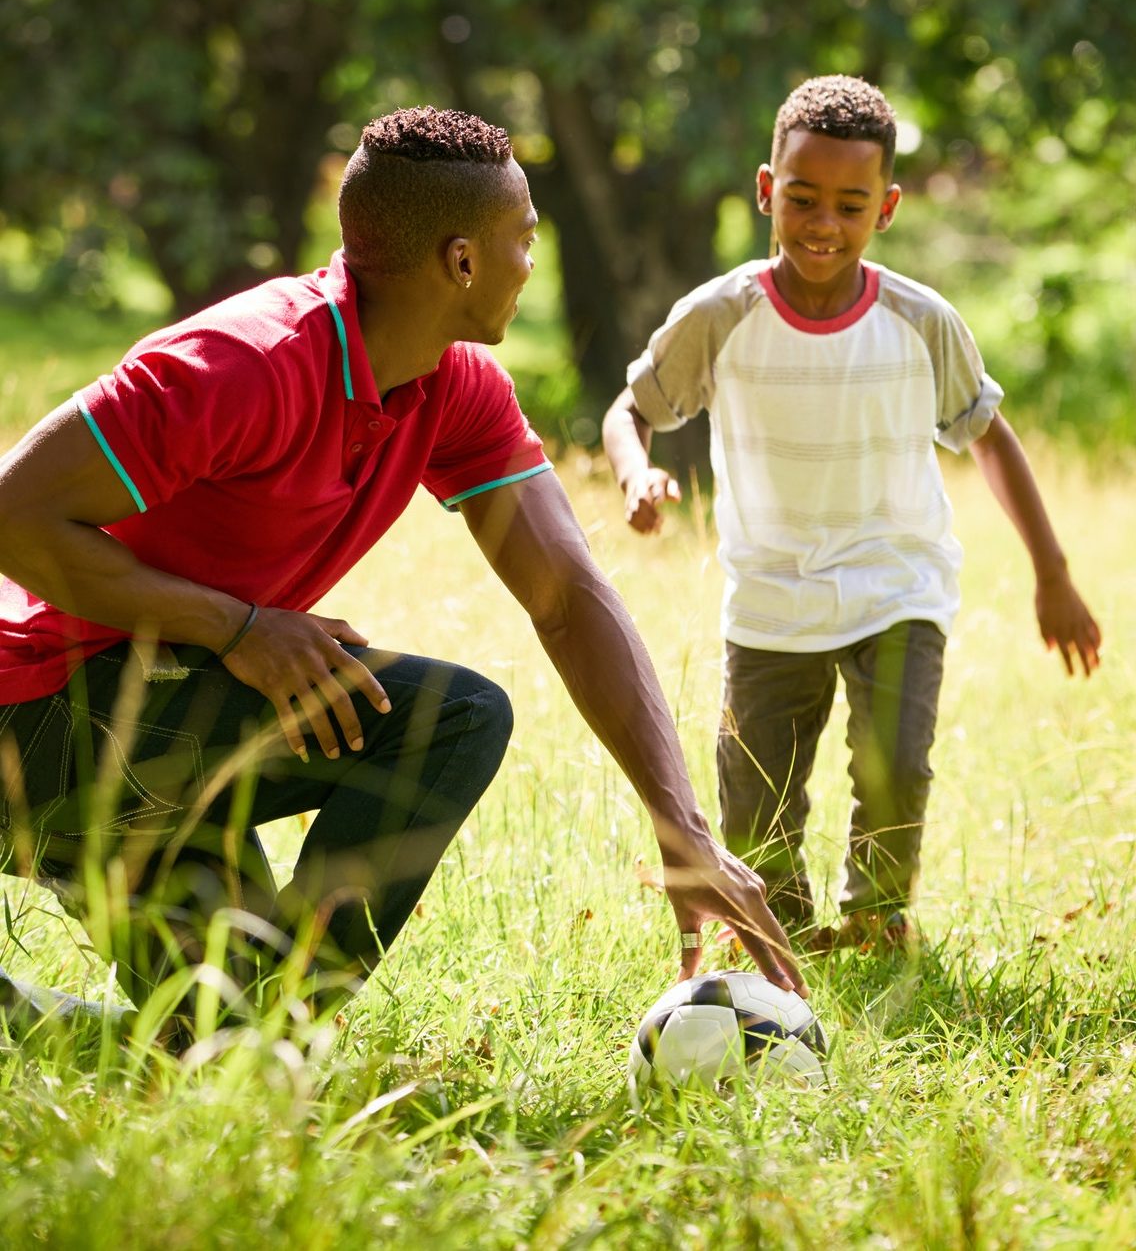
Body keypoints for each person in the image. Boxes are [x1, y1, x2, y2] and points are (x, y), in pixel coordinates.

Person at [0, 106, 804, 1041]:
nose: (532, 262)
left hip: (168, 714)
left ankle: (218, 1039)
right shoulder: (244, 364)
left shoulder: (452, 388)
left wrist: (682, 828)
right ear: (462, 261)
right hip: (37, 717)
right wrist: (239, 628)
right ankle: (248, 1022)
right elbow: (15, 514)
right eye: (524, 239)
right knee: (453, 716)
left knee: (224, 1037)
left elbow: (566, 594)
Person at [602, 76, 1102, 954]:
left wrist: (1053, 574)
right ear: (767, 189)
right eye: (801, 199)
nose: (822, 224)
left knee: (896, 768)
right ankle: (780, 929)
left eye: (850, 204)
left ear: (889, 206)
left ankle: (876, 920)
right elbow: (630, 408)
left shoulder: (919, 321)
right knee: (755, 797)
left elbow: (989, 436)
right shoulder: (722, 315)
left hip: (896, 585)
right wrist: (635, 472)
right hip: (769, 600)